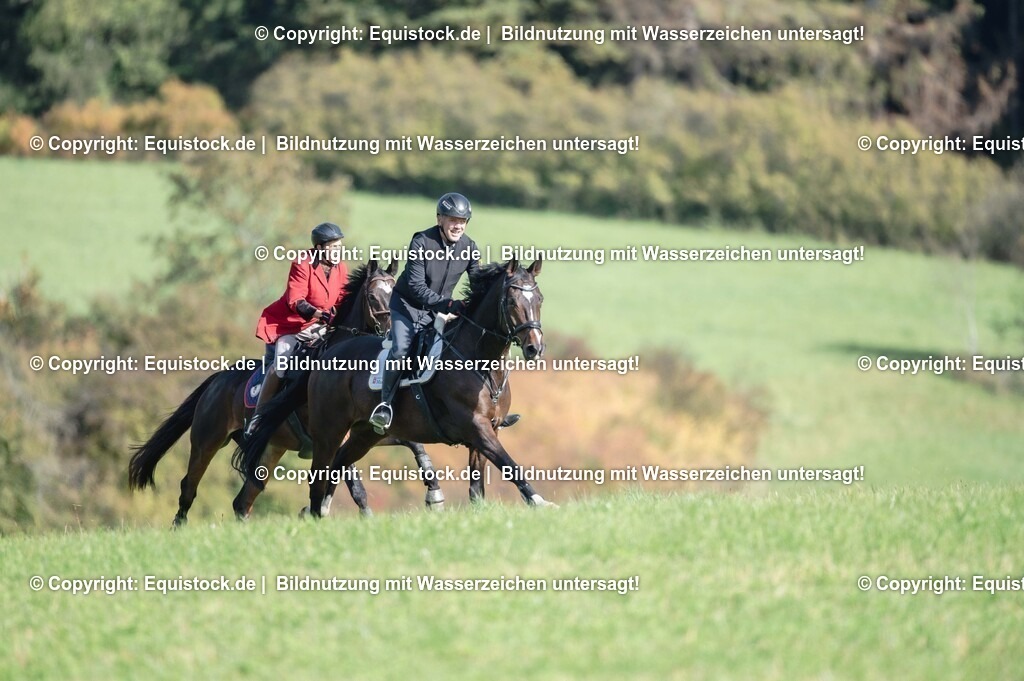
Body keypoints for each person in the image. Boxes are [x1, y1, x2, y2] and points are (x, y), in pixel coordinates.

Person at [368, 192, 480, 434]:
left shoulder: (469, 247)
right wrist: (448, 305)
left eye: (462, 221)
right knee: (401, 350)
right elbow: (416, 287)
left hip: (436, 312)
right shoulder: (421, 241)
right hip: (407, 307)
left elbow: (478, 285)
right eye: (453, 220)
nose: (458, 226)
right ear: (440, 219)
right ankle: (385, 406)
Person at [246, 222, 348, 437]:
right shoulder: (302, 263)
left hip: (321, 326)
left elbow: (341, 298)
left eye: (340, 246)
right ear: (319, 248)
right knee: (281, 364)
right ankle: (258, 416)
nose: (338, 251)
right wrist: (320, 315)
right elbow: (296, 301)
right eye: (334, 247)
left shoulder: (341, 267)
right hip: (291, 325)